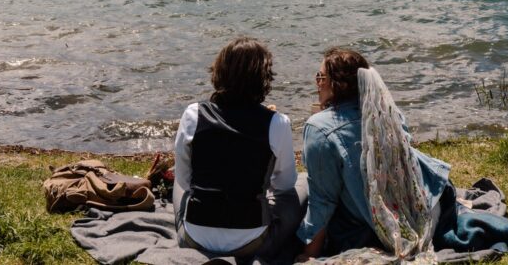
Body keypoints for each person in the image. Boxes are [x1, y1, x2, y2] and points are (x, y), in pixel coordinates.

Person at [296, 48, 453, 260]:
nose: (317, 84)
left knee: (304, 185)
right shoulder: (386, 110)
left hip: (380, 227)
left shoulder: (320, 128)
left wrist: (309, 253)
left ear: (337, 85)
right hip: (430, 202)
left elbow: (322, 199)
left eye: (321, 77)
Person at [173, 37, 307, 259]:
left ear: (219, 72)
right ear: (263, 78)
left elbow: (186, 181)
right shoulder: (277, 122)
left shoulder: (193, 114)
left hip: (194, 237)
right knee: (301, 184)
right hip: (253, 242)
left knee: (180, 184)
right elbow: (283, 185)